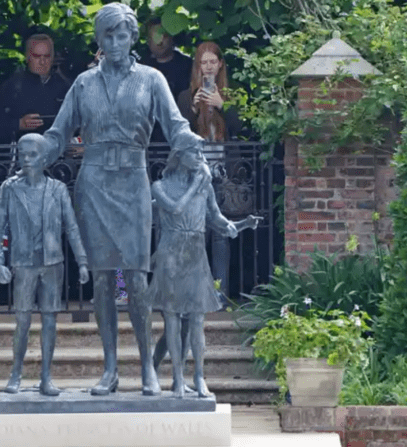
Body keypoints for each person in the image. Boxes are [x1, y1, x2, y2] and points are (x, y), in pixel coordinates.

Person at [40, 3, 207, 397]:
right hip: (94, 182)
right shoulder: (83, 83)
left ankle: (148, 367)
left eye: (122, 35)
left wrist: (193, 145)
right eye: (107, 36)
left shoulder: (151, 79)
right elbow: (58, 133)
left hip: (133, 180)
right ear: (99, 40)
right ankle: (110, 367)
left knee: (134, 275)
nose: (115, 43)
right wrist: (32, 158)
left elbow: (175, 125)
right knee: (101, 279)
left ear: (133, 38)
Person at [148, 147, 260, 398]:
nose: (201, 156)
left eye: (201, 152)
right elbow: (175, 209)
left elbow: (218, 220)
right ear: (180, 156)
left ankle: (198, 376)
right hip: (171, 254)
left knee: (196, 320)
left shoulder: (205, 188)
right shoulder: (160, 186)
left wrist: (240, 225)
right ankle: (175, 378)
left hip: (196, 254)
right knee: (173, 322)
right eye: (195, 152)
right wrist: (196, 184)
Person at [0, 133, 90, 396]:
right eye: (22, 154)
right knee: (22, 322)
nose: (26, 159)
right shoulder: (10, 189)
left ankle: (46, 376)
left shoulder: (57, 190)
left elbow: (72, 227)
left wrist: (82, 261)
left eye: (32, 155)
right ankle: (16, 373)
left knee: (50, 321)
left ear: (45, 159)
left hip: (52, 264)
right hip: (23, 264)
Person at [176, 41, 242, 298]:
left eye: (212, 62)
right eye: (203, 62)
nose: (208, 67)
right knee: (195, 234)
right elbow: (178, 132)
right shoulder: (185, 96)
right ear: (198, 66)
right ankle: (196, 292)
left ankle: (220, 292)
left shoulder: (232, 95)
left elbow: (244, 128)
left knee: (220, 235)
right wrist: (194, 109)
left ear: (220, 64)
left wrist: (222, 104)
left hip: (224, 174)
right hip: (196, 175)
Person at [0, 34, 72, 144]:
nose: (42, 62)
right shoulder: (11, 87)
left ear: (53, 57)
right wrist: (19, 124)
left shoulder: (66, 87)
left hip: (59, 155)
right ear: (27, 57)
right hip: (24, 155)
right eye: (37, 56)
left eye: (47, 56)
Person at [142, 18, 193, 143]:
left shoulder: (188, 66)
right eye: (154, 38)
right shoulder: (141, 68)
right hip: (149, 138)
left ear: (171, 38)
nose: (159, 42)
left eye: (163, 37)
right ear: (148, 41)